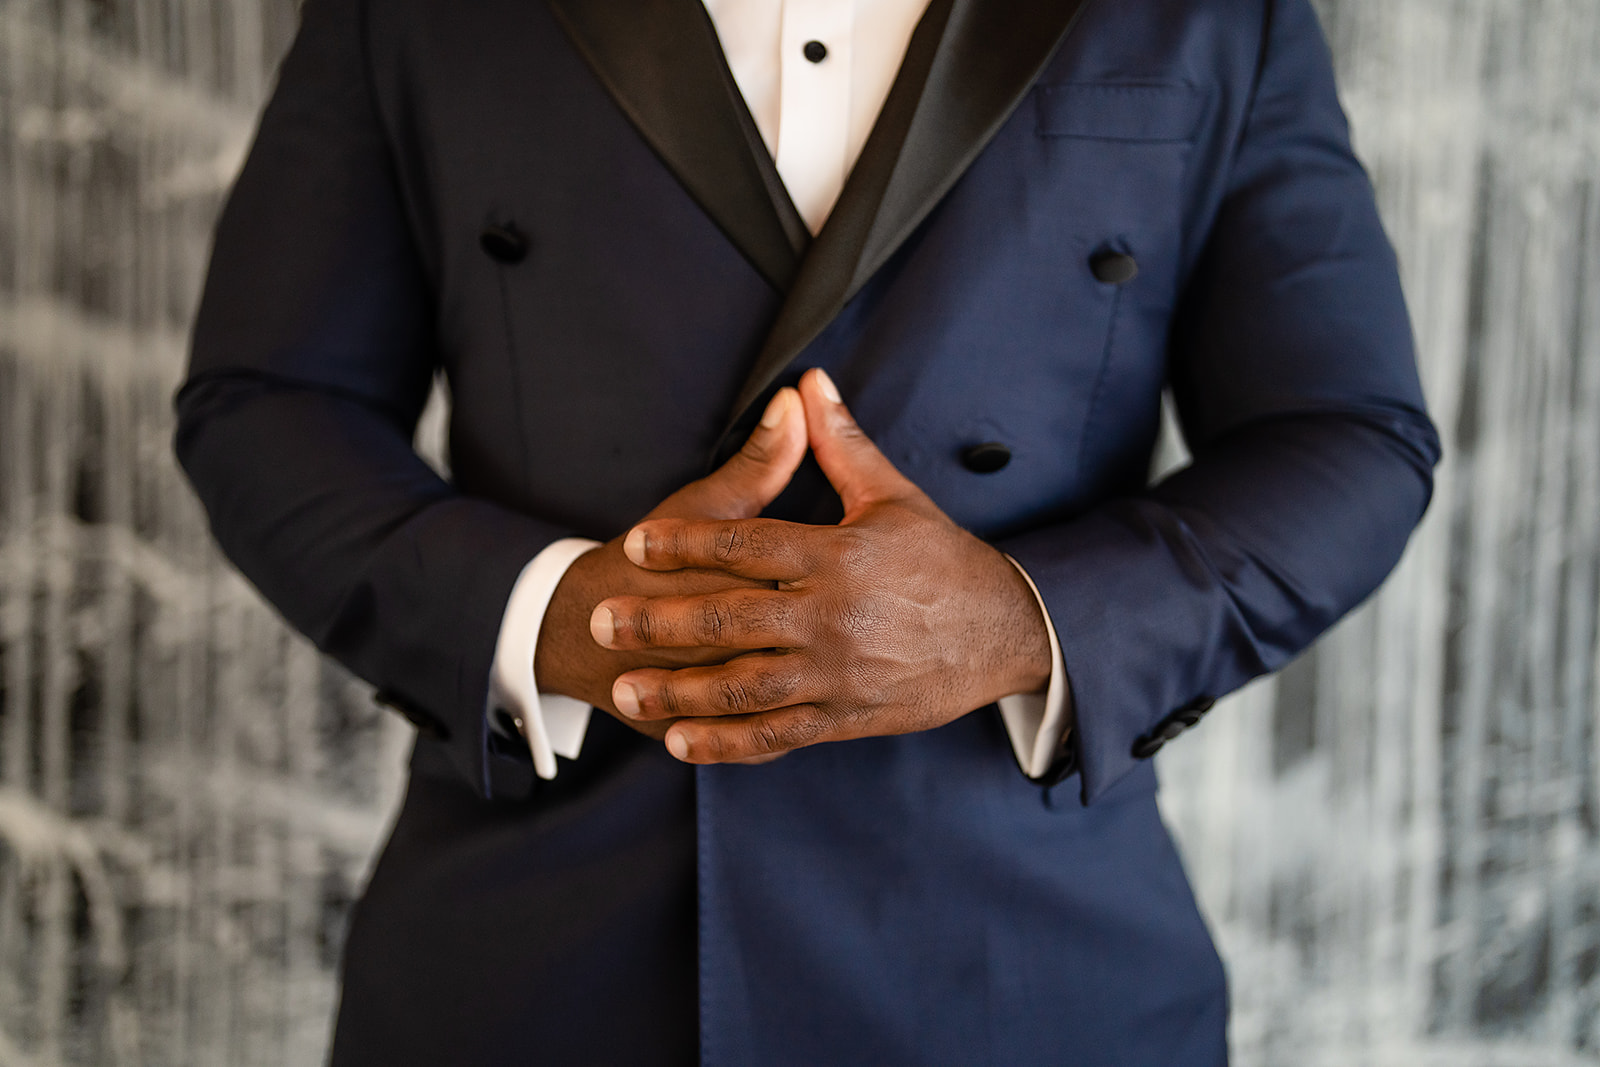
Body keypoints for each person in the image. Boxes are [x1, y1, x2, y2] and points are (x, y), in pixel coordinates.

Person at [175, 0, 1440, 1061]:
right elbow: (270, 401)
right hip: (537, 963)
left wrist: (1014, 621)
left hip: (1027, 967)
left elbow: (1345, 433)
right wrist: (555, 619)